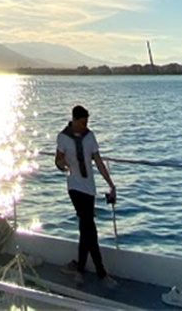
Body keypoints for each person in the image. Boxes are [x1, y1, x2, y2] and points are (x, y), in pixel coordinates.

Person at [55, 104, 117, 287]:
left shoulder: (90, 137)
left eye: (86, 122)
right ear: (74, 120)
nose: (84, 125)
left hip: (89, 188)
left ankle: (80, 270)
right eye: (82, 122)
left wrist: (111, 184)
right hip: (74, 186)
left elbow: (98, 161)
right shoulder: (63, 137)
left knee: (86, 229)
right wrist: (62, 164)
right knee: (90, 227)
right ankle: (101, 273)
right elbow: (57, 160)